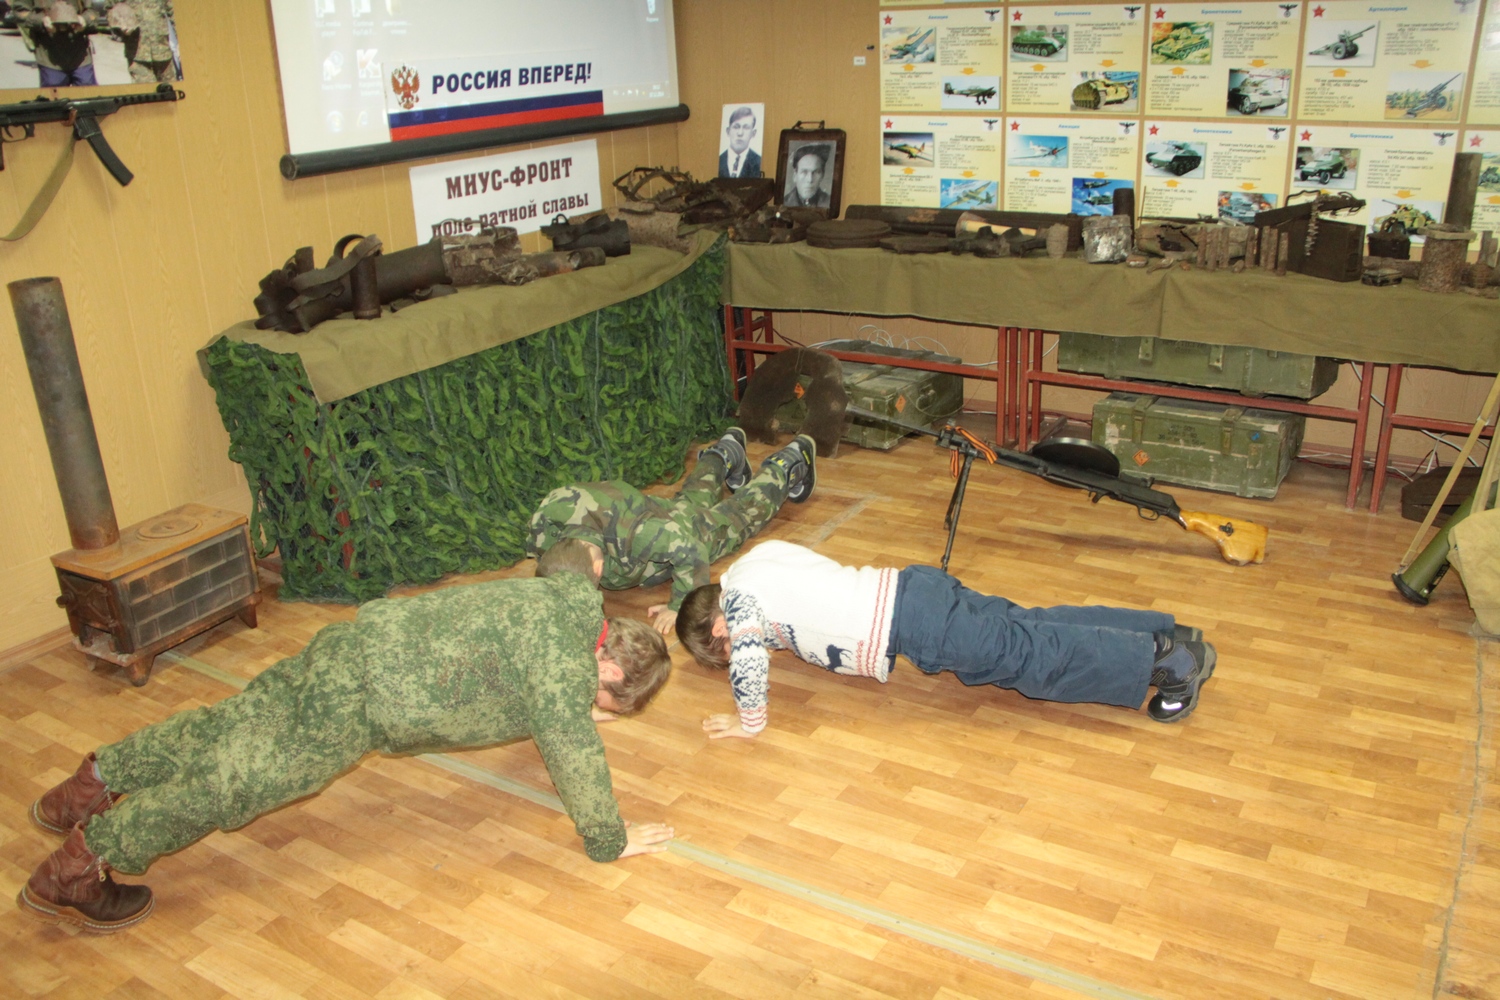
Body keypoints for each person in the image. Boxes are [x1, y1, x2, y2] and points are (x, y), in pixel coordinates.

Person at [19, 570, 674, 933]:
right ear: (609, 670)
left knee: (222, 726)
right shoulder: (561, 675)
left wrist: (578, 698)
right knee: (235, 781)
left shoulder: (565, 601)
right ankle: (79, 868)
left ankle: (92, 781)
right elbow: (576, 755)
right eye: (604, 700)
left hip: (345, 646)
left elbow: (554, 618)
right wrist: (608, 839)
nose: (591, 708)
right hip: (355, 705)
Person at [676, 540, 1216, 738]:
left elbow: (751, 656)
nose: (744, 648)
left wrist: (748, 722)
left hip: (917, 625)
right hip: (915, 589)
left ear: (721, 629)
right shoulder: (750, 565)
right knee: (1032, 625)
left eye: (724, 650)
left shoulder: (740, 602)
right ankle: (1164, 633)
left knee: (1030, 659)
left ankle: (1171, 663)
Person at [526, 429, 816, 636]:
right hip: (647, 512)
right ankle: (725, 451)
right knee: (690, 503)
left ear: (599, 569)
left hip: (662, 525)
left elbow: (691, 551)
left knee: (738, 518)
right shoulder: (544, 532)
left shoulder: (639, 535)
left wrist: (679, 605)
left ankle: (789, 462)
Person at [13, 0, 101, 87]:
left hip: (80, 55)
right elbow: (21, 12)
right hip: (49, 56)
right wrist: (41, 21)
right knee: (54, 93)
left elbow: (93, 10)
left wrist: (85, 20)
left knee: (87, 91)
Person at [115, 0, 178, 83]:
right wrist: (120, 25)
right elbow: (111, 7)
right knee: (146, 89)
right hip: (137, 53)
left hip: (162, 49)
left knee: (171, 87)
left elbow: (174, 10)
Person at [718, 106, 761, 179]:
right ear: (728, 131)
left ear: (753, 133)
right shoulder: (719, 160)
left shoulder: (758, 161)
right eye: (736, 127)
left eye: (746, 127)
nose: (740, 133)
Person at [783, 144, 832, 208]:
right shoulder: (783, 203)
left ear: (822, 175)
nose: (810, 179)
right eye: (804, 172)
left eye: (816, 172)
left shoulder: (831, 203)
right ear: (795, 175)